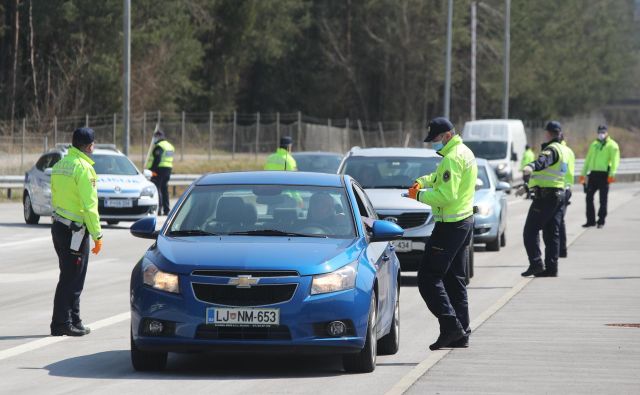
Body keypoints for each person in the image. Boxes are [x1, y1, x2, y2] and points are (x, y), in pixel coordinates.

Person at [408, 117, 477, 350]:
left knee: (428, 279)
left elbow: (445, 196)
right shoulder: (461, 152)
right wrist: (421, 181)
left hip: (450, 225)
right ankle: (462, 332)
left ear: (447, 135)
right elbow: (438, 180)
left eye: (435, 138)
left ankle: (451, 327)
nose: (433, 143)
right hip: (463, 221)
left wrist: (417, 196)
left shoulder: (452, 158)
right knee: (454, 279)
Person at [50, 127, 103, 337]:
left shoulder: (60, 164)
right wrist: (97, 235)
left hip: (59, 226)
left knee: (70, 275)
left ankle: (74, 319)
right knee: (72, 278)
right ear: (89, 146)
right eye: (93, 144)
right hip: (75, 231)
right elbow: (90, 206)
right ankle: (61, 322)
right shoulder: (84, 168)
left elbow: (54, 194)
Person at [517, 121, 570, 278]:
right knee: (551, 233)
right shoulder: (564, 149)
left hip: (546, 197)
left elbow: (543, 162)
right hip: (558, 194)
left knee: (530, 231)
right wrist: (528, 187)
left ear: (547, 133)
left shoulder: (551, 149)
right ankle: (551, 268)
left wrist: (531, 166)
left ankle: (536, 263)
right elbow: (550, 175)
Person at [579, 125, 620, 229]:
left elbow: (615, 161)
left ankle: (601, 220)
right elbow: (588, 159)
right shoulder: (594, 144)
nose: (601, 134)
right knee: (589, 198)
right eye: (599, 132)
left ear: (606, 132)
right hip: (593, 174)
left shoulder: (612, 145)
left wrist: (612, 175)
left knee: (603, 200)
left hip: (604, 175)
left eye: (603, 132)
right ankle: (590, 220)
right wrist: (583, 174)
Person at [146, 130, 175, 216]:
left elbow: (157, 159)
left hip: (159, 169)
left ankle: (159, 209)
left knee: (157, 188)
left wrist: (152, 170)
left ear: (158, 137)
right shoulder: (170, 146)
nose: (154, 139)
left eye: (155, 137)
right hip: (168, 169)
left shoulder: (159, 146)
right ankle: (167, 210)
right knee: (164, 189)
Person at [559, 135, 575, 258]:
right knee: (560, 220)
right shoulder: (568, 150)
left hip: (561, 188)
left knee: (558, 220)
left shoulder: (561, 151)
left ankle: (562, 250)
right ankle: (561, 250)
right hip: (566, 188)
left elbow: (563, 170)